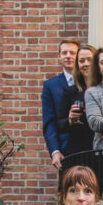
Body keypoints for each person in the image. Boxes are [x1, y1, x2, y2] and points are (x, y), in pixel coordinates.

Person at [42, 38, 79, 169]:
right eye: (64, 53)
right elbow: (49, 122)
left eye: (72, 53)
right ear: (59, 56)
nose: (68, 56)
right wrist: (55, 151)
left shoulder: (90, 82)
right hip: (65, 149)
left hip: (90, 146)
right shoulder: (50, 86)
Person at [57, 43, 97, 156]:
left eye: (90, 60)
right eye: (82, 61)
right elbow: (60, 124)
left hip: (101, 149)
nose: (86, 64)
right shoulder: (70, 91)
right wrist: (69, 120)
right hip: (78, 150)